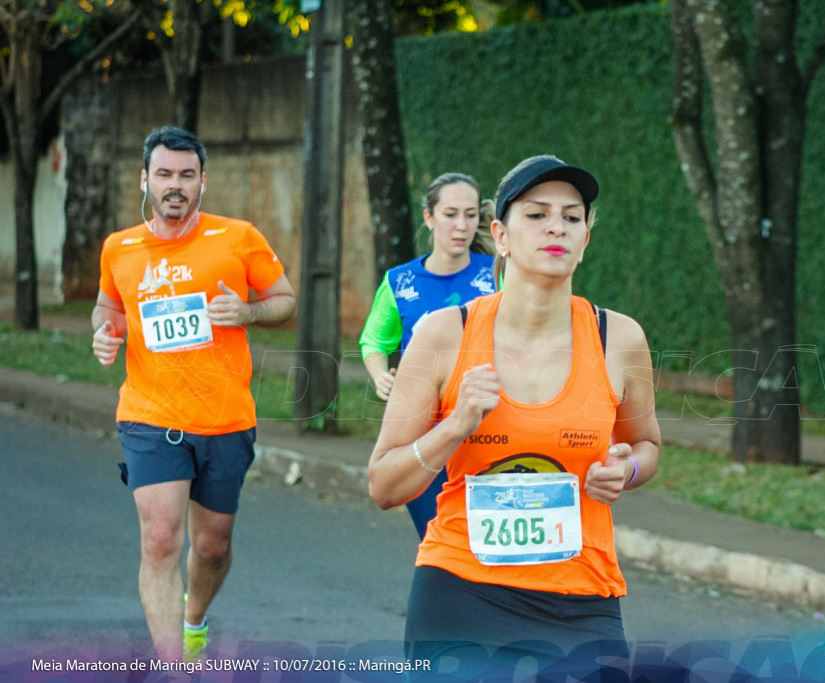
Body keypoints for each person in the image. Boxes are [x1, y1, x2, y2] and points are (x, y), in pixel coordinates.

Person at [367, 155, 661, 676]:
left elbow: (647, 447)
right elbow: (385, 485)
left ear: (585, 241)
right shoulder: (443, 334)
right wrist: (454, 426)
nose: (557, 227)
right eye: (537, 214)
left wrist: (626, 470)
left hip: (581, 596)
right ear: (500, 235)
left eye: (572, 218)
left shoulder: (619, 338)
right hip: (460, 590)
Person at [91, 126, 296, 662]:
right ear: (146, 180)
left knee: (212, 546)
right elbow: (108, 306)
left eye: (186, 175)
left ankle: (194, 618)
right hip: (149, 415)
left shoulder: (238, 237)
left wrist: (248, 311)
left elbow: (284, 299)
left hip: (225, 418)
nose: (174, 185)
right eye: (164, 174)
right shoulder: (120, 247)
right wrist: (106, 333)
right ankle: (172, 667)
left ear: (203, 181)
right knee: (160, 541)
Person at [359, 172, 496, 538]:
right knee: (440, 541)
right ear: (429, 217)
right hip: (425, 438)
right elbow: (373, 341)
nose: (462, 226)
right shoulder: (400, 282)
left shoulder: (499, 275)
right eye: (450, 214)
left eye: (470, 215)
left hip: (491, 435)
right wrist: (380, 376)